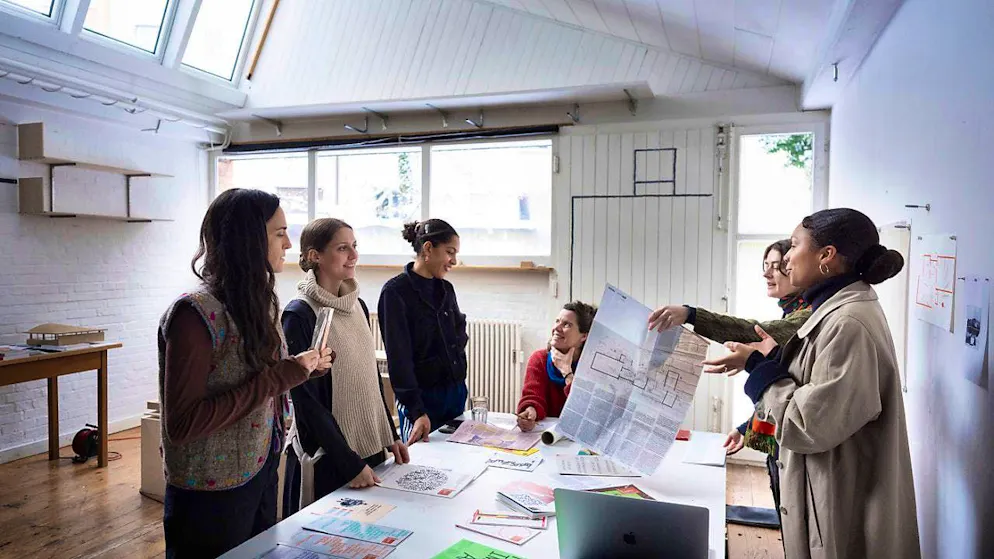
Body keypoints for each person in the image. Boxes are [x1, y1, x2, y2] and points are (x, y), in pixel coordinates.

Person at [702, 208, 920, 559]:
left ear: (826, 256)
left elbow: (806, 424)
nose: (786, 257)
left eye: (794, 245)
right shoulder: (833, 312)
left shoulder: (849, 323)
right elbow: (815, 387)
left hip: (841, 508)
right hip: (828, 496)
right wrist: (771, 361)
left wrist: (757, 368)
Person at [158, 189, 333, 558]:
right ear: (248, 239)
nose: (288, 243)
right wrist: (281, 376)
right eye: (278, 232)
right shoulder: (194, 314)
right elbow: (183, 423)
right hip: (210, 492)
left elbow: (258, 381)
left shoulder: (262, 301)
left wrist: (302, 370)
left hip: (261, 467)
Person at [648, 239, 812, 518]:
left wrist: (691, 314)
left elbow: (752, 333)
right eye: (766, 265)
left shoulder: (806, 317)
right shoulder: (791, 312)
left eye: (777, 266)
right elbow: (779, 385)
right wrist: (748, 429)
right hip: (783, 448)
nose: (767, 273)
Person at [281, 218, 410, 516]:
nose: (353, 255)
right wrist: (349, 463)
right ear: (315, 256)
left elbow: (370, 378)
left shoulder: (358, 306)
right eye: (342, 248)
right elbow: (307, 404)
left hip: (369, 451)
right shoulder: (299, 314)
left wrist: (389, 435)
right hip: (332, 459)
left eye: (354, 246)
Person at [377, 219, 469, 445]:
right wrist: (417, 411)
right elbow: (399, 359)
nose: (453, 261)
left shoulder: (446, 288)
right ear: (428, 248)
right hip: (421, 400)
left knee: (457, 464)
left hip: (455, 393)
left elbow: (458, 331)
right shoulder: (395, 292)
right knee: (422, 468)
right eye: (449, 252)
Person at [516, 301, 598, 432]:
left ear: (584, 336)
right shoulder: (539, 359)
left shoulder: (593, 366)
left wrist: (567, 372)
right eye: (557, 321)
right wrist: (530, 410)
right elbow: (533, 397)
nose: (557, 328)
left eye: (567, 324)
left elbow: (587, 411)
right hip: (547, 437)